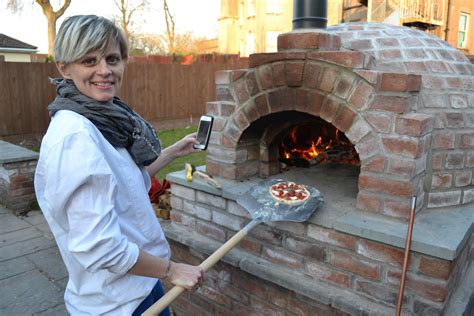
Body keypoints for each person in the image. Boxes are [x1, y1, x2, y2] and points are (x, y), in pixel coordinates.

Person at [34, 15, 204, 315]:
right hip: (117, 303)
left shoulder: (102, 119)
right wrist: (171, 270)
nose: (104, 70)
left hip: (142, 284)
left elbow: (124, 182)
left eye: (112, 59)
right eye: (89, 60)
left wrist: (173, 152)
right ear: (64, 67)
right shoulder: (76, 137)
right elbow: (100, 247)